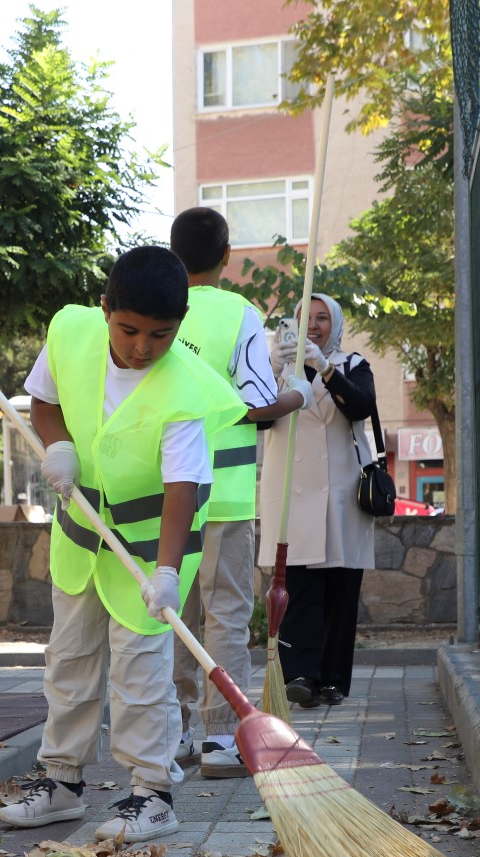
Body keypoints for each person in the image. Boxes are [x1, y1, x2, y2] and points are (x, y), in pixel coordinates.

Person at [0, 245, 244, 843]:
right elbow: (47, 400)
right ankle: (61, 783)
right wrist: (58, 447)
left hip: (149, 552)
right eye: (129, 329)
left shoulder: (183, 389)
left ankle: (153, 795)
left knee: (141, 675)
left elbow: (183, 487)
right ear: (105, 309)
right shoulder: (72, 334)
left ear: (179, 326)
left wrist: (165, 575)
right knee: (70, 662)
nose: (141, 347)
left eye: (160, 335)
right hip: (82, 541)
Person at [167, 207, 313, 778]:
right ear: (227, 256)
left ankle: (176, 729)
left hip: (165, 494)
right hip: (224, 492)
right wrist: (296, 393)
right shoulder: (239, 314)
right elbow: (254, 405)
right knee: (225, 611)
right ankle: (221, 738)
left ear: (174, 253)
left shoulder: (162, 310)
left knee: (175, 610)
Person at [259, 294, 377, 707]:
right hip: (292, 491)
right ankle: (301, 676)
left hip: (342, 494)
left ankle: (333, 680)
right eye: (304, 318)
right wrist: (274, 367)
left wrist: (324, 368)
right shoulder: (272, 373)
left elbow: (360, 406)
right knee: (298, 587)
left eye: (322, 318)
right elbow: (258, 418)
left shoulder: (352, 366)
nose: (313, 325)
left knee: (340, 590)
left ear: (336, 324)